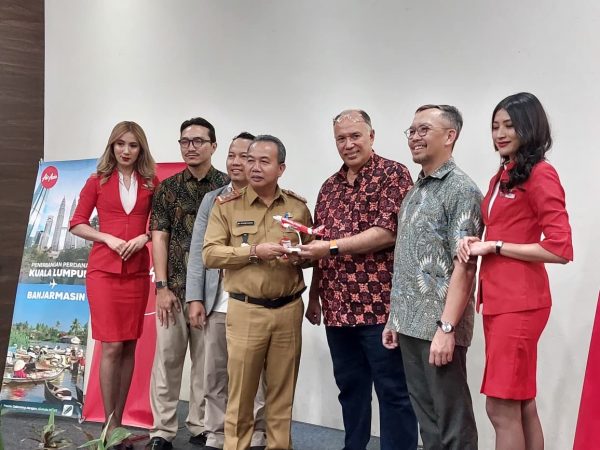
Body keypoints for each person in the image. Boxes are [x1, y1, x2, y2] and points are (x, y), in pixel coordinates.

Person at [456, 92, 573, 450]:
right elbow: (505, 227)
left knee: (500, 407)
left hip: (520, 303)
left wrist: (495, 246)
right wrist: (480, 240)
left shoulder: (541, 173)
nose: (500, 133)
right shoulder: (504, 175)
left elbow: (560, 248)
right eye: (495, 126)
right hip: (498, 300)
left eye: (509, 125)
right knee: (521, 404)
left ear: (529, 127)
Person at [299, 109, 417, 450]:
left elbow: (387, 233)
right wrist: (314, 296)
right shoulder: (329, 186)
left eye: (355, 136)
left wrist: (331, 247)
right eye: (341, 138)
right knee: (350, 389)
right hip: (337, 307)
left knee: (393, 391)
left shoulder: (393, 174)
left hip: (381, 308)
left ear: (371, 136)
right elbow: (320, 242)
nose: (348, 144)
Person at [382, 104, 482, 450]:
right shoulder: (416, 190)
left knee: (453, 423)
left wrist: (447, 329)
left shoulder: (461, 189)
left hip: (440, 327)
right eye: (411, 131)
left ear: (450, 136)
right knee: (428, 422)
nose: (414, 137)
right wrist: (395, 318)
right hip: (410, 324)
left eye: (424, 129)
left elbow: (465, 265)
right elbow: (408, 258)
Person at [203, 135, 312, 450]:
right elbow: (210, 254)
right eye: (250, 160)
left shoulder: (297, 207)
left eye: (264, 161)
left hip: (288, 309)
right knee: (241, 396)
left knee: (281, 396)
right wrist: (253, 251)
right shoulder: (227, 206)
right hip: (246, 310)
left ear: (281, 168)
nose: (254, 167)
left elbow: (311, 253)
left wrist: (300, 257)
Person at [70, 121, 158, 450]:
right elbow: (76, 223)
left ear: (140, 149)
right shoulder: (97, 181)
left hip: (136, 272)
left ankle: (119, 425)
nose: (126, 150)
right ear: (112, 147)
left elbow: (160, 223)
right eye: (120, 144)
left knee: (129, 346)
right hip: (104, 273)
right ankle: (110, 427)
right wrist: (106, 237)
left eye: (132, 145)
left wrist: (144, 237)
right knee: (111, 346)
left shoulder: (151, 182)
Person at [147, 117, 229, 450]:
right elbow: (159, 237)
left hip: (212, 293)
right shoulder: (167, 188)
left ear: (213, 145)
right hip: (175, 290)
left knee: (208, 365)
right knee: (167, 361)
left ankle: (202, 425)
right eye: (185, 141)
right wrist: (162, 287)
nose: (190, 147)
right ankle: (162, 430)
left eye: (198, 141)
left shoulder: (226, 187)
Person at [187, 132, 267, 450]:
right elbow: (198, 252)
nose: (236, 162)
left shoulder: (267, 199)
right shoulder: (213, 199)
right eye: (232, 155)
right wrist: (195, 298)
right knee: (215, 374)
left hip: (252, 303)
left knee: (255, 375)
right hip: (216, 303)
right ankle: (216, 433)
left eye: (244, 156)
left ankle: (257, 433)